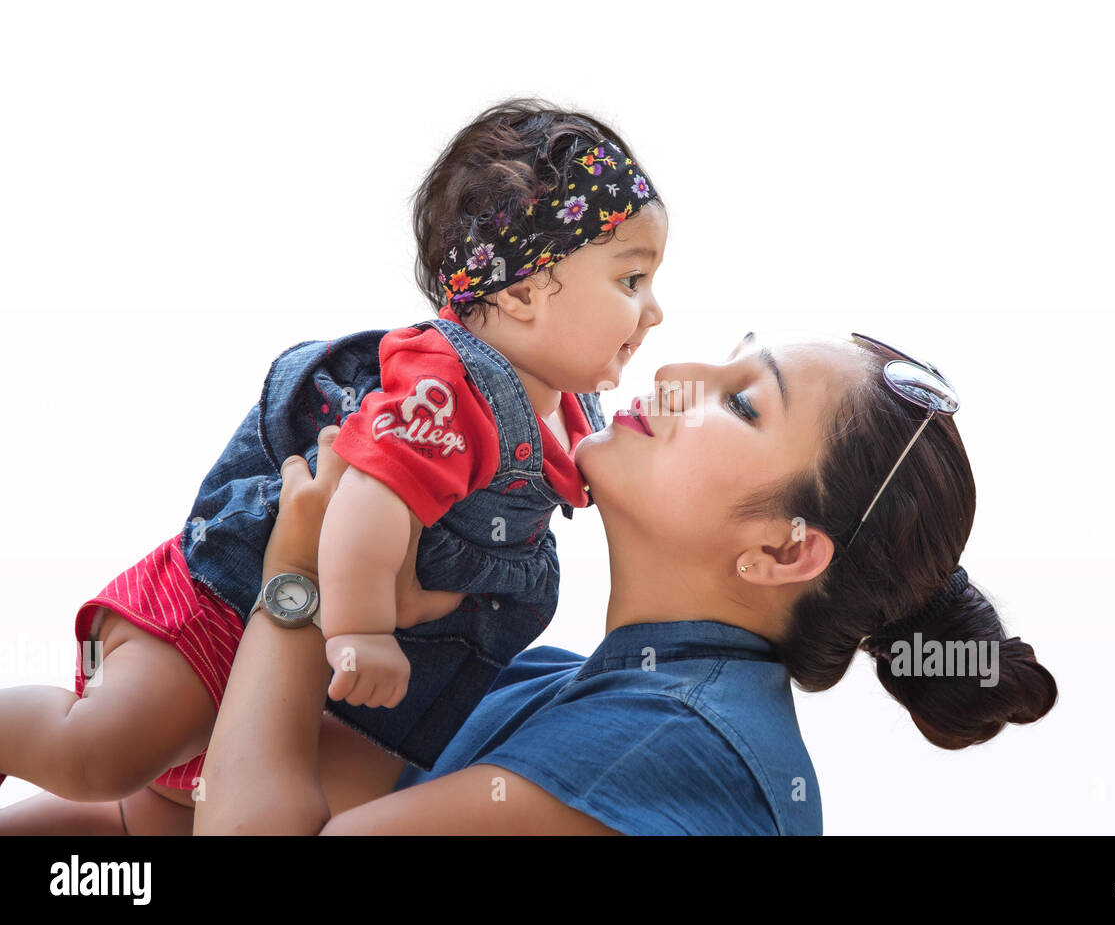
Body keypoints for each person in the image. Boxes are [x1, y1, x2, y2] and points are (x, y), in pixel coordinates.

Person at [0, 99, 667, 831]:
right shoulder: (450, 391)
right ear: (521, 291)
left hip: (309, 697)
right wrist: (359, 629)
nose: (654, 311)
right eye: (631, 280)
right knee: (100, 753)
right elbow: (368, 499)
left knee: (158, 817)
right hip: (224, 611)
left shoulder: (569, 421)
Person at [194, 328, 1059, 835]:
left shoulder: (675, 743)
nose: (679, 378)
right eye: (728, 362)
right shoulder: (561, 684)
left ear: (785, 552)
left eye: (744, 404)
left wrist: (297, 584)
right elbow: (225, 791)